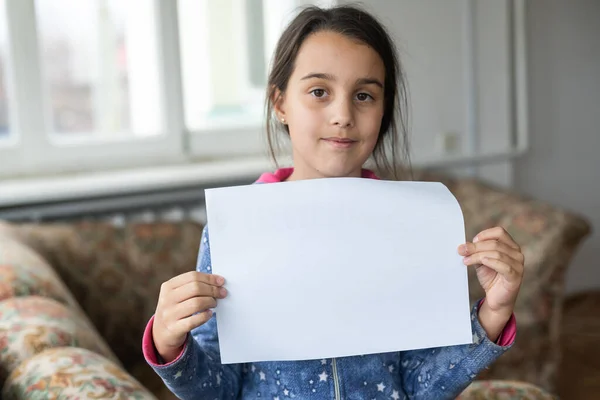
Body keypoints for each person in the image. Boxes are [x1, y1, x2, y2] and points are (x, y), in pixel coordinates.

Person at [142, 5, 523, 399]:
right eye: (319, 91)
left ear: (383, 109)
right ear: (280, 103)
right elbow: (217, 392)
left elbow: (422, 386)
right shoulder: (236, 230)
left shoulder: (412, 226)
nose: (342, 115)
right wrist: (170, 343)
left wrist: (492, 313)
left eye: (363, 95)